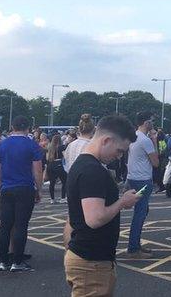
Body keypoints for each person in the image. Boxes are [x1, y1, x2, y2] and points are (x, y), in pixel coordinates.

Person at [64, 115, 141, 296]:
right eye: (119, 150)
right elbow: (95, 218)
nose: (118, 157)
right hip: (91, 261)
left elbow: (73, 216)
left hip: (85, 257)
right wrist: (122, 202)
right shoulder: (93, 171)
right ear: (106, 140)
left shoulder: (82, 165)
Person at [0, 115, 44, 272]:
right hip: (24, 188)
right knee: (21, 225)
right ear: (27, 128)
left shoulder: (2, 144)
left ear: (13, 127)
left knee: (5, 226)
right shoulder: (32, 145)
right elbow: (37, 169)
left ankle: (3, 261)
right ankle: (17, 261)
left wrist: (0, 184)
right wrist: (39, 189)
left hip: (6, 188)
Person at [120, 111, 159, 259]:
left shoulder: (134, 137)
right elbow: (156, 163)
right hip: (143, 179)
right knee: (140, 214)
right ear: (146, 123)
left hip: (132, 177)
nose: (153, 124)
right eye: (151, 121)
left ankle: (135, 244)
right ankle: (133, 248)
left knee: (141, 212)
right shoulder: (146, 140)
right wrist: (154, 140)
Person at [62, 114, 96, 248]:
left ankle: (68, 249)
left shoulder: (71, 145)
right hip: (87, 184)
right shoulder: (91, 145)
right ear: (93, 130)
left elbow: (66, 165)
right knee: (89, 219)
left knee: (71, 219)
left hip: (71, 181)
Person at [45, 134, 67, 204]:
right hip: (59, 165)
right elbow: (65, 156)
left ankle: (52, 199)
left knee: (52, 183)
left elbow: (47, 158)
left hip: (51, 165)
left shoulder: (49, 147)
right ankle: (63, 197)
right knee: (64, 181)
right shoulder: (61, 147)